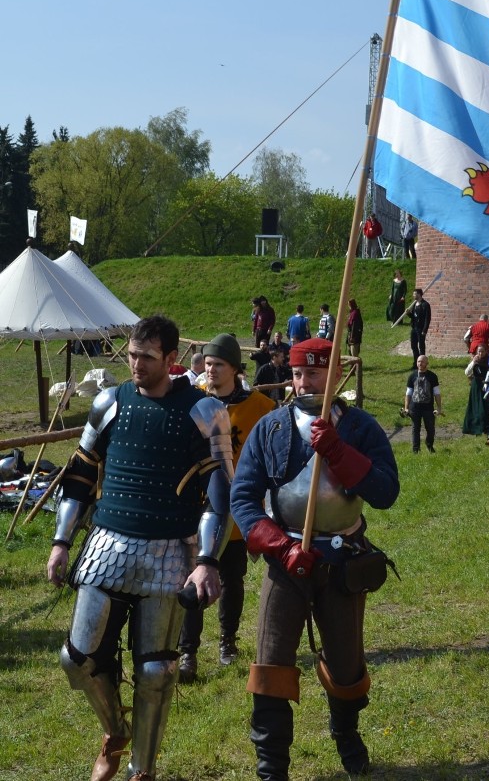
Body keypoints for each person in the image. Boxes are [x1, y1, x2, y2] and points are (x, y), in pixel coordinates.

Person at [45, 315, 233, 781]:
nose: (135, 365)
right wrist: (60, 542)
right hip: (107, 545)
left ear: (171, 359)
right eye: (131, 355)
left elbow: (220, 495)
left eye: (146, 358)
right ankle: (115, 731)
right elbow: (80, 479)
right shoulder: (110, 402)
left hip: (171, 552)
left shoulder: (206, 412)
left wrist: (207, 560)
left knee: (156, 672)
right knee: (76, 659)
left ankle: (141, 771)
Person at [229, 338, 400, 779]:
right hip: (285, 562)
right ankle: (272, 767)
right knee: (270, 666)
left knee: (346, 668)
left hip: (343, 562)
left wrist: (340, 452)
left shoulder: (361, 427)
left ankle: (346, 736)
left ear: (336, 372)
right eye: (300, 373)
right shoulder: (271, 428)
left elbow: (385, 493)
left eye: (316, 373)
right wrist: (281, 548)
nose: (306, 382)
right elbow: (244, 500)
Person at [178, 335, 276, 683]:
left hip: (238, 508)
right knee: (193, 576)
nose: (210, 370)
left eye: (217, 364)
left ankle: (227, 642)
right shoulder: (195, 404)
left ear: (235, 368)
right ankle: (187, 651)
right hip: (200, 507)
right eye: (207, 364)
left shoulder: (262, 407)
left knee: (232, 579)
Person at [403, 355, 443, 453]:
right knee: (415, 429)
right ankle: (416, 450)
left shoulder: (432, 376)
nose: (420, 363)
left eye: (422, 362)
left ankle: (429, 445)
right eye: (418, 361)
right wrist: (406, 408)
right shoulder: (412, 376)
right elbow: (408, 393)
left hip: (428, 408)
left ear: (427, 363)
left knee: (430, 429)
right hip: (414, 408)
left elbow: (437, 393)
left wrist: (439, 407)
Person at [462, 344, 489, 435]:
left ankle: (485, 427)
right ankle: (474, 426)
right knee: (475, 405)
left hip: (486, 385)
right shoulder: (474, 361)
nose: (480, 353)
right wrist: (473, 362)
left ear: (486, 352)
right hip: (476, 385)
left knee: (485, 406)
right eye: (479, 351)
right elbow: (467, 372)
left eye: (482, 351)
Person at [407, 288, 431, 368]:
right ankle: (416, 363)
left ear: (419, 294)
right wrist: (408, 313)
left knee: (421, 346)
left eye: (414, 294)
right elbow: (414, 317)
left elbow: (427, 319)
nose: (413, 295)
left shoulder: (425, 305)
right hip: (414, 328)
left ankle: (423, 363)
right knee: (413, 346)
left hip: (421, 329)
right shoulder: (414, 304)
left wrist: (425, 330)